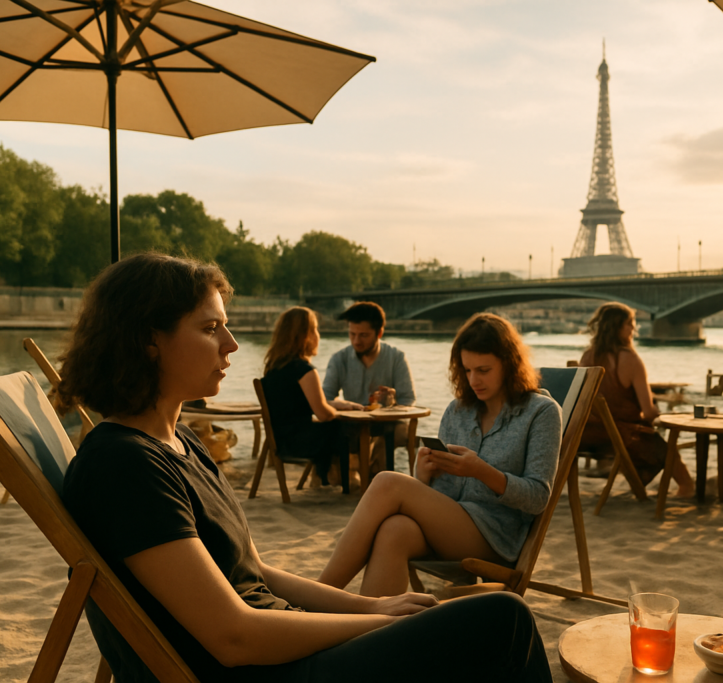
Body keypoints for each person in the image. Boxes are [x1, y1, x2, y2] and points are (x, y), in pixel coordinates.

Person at [57, 253, 553, 683]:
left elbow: (259, 573)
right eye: (211, 328)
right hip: (271, 675)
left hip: (284, 653)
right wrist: (382, 624)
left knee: (471, 617)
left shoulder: (179, 444)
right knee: (504, 618)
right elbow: (235, 637)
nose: (231, 344)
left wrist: (373, 606)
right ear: (149, 341)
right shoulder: (124, 465)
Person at [318, 313, 561, 598]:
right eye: (467, 370)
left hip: (496, 537)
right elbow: (444, 495)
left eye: (483, 370)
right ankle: (374, 629)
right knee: (394, 530)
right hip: (451, 527)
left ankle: (318, 596)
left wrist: (481, 470)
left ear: (509, 364)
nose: (474, 380)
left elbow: (537, 497)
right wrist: (423, 476)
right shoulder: (458, 411)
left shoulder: (540, 412)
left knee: (386, 482)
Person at [577, 303, 695, 497]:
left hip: (589, 436)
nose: (633, 329)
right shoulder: (630, 359)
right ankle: (686, 487)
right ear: (617, 327)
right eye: (629, 324)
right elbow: (647, 412)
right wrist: (658, 413)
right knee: (662, 446)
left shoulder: (587, 357)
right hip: (621, 437)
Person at [261, 306, 361, 492]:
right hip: (301, 443)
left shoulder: (274, 368)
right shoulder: (304, 370)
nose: (318, 335)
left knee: (334, 428)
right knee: (345, 427)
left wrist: (337, 404)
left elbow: (294, 404)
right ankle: (344, 478)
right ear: (304, 336)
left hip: (282, 441)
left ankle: (326, 475)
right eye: (315, 329)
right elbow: (323, 415)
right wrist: (335, 411)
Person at [323, 301, 416, 471]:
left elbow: (408, 399)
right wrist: (344, 405)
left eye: (364, 335)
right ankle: (365, 473)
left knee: (398, 433)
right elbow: (325, 398)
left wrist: (392, 401)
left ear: (379, 333)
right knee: (336, 434)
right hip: (353, 423)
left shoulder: (396, 357)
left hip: (389, 422)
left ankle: (376, 475)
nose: (356, 341)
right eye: (352, 334)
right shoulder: (339, 359)